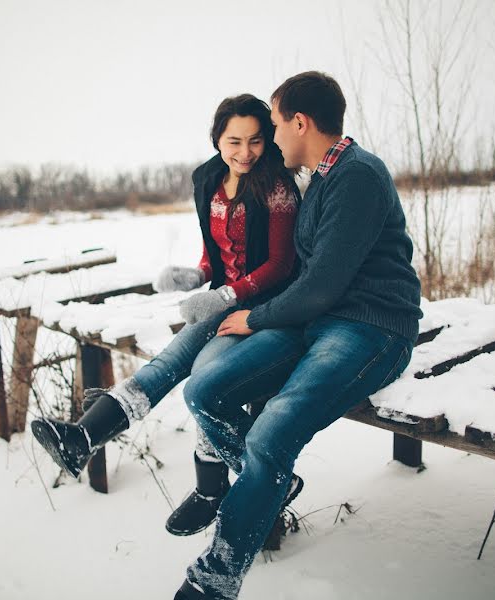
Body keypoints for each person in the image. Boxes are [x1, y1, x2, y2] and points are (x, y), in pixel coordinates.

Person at [173, 72, 423, 600]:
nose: (272, 137)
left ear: (301, 122)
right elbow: (309, 283)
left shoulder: (357, 176)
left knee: (269, 435)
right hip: (317, 321)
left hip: (371, 326)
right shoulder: (323, 176)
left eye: (276, 124)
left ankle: (213, 581)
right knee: (203, 390)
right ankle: (270, 482)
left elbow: (323, 285)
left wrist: (255, 317)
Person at [31, 94, 304, 537]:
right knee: (167, 363)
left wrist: (228, 295)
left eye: (255, 141)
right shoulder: (209, 181)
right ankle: (82, 439)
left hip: (264, 308)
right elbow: (216, 250)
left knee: (205, 374)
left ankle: (217, 489)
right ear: (217, 139)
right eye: (234, 140)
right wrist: (196, 274)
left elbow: (280, 264)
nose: (245, 152)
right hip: (221, 300)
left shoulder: (275, 187)